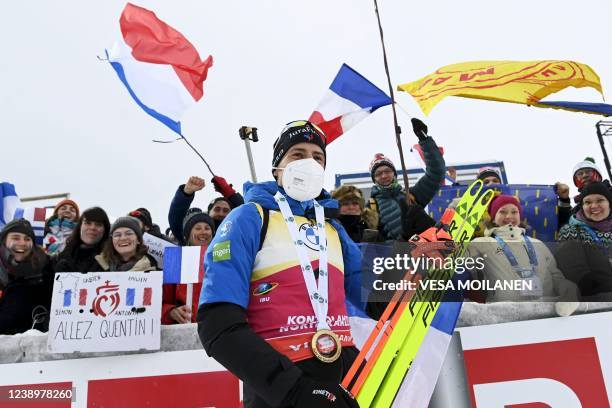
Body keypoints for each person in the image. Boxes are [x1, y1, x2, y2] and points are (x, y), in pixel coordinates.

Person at [197, 120, 360, 408]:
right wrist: (294, 391)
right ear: (277, 168)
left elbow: (376, 296)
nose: (309, 162)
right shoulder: (250, 217)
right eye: (297, 155)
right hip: (281, 394)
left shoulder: (334, 230)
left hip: (344, 390)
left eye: (317, 157)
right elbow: (217, 324)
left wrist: (421, 258)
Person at [467, 195, 578, 307]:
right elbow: (459, 263)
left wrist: (568, 289)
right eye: (502, 212)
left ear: (520, 216)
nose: (509, 216)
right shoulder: (480, 243)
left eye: (514, 212)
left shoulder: (538, 244)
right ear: (493, 218)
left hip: (547, 312)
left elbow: (556, 277)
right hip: (504, 314)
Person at [368, 118, 445, 241]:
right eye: (378, 174)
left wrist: (424, 140)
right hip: (399, 256)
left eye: (387, 171)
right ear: (374, 179)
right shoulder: (371, 207)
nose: (383, 176)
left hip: (429, 249)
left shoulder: (411, 195)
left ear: (394, 173)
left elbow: (436, 173)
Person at [556, 182, 612, 298]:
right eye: (588, 202)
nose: (594, 206)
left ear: (609, 204)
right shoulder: (572, 231)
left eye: (600, 200)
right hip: (596, 298)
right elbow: (573, 271)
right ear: (582, 206)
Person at [0, 219, 54, 334]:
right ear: (4, 240)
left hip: (30, 345)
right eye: (16, 238)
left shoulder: (46, 269)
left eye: (27, 239)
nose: (22, 243)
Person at [162, 210, 216, 324]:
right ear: (188, 234)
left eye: (207, 228)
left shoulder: (221, 257)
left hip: (217, 327)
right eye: (197, 228)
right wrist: (170, 311)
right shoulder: (176, 259)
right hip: (186, 329)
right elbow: (162, 301)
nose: (203, 232)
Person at [168, 175, 244, 245]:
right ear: (209, 212)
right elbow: (176, 217)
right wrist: (186, 194)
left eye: (226, 211)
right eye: (217, 209)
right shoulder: (185, 241)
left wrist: (230, 193)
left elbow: (249, 215)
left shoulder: (232, 239)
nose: (221, 213)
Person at [54, 207, 110, 273]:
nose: (92, 227)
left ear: (105, 230)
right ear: (80, 226)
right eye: (88, 223)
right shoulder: (62, 256)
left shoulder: (112, 259)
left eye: (98, 224)